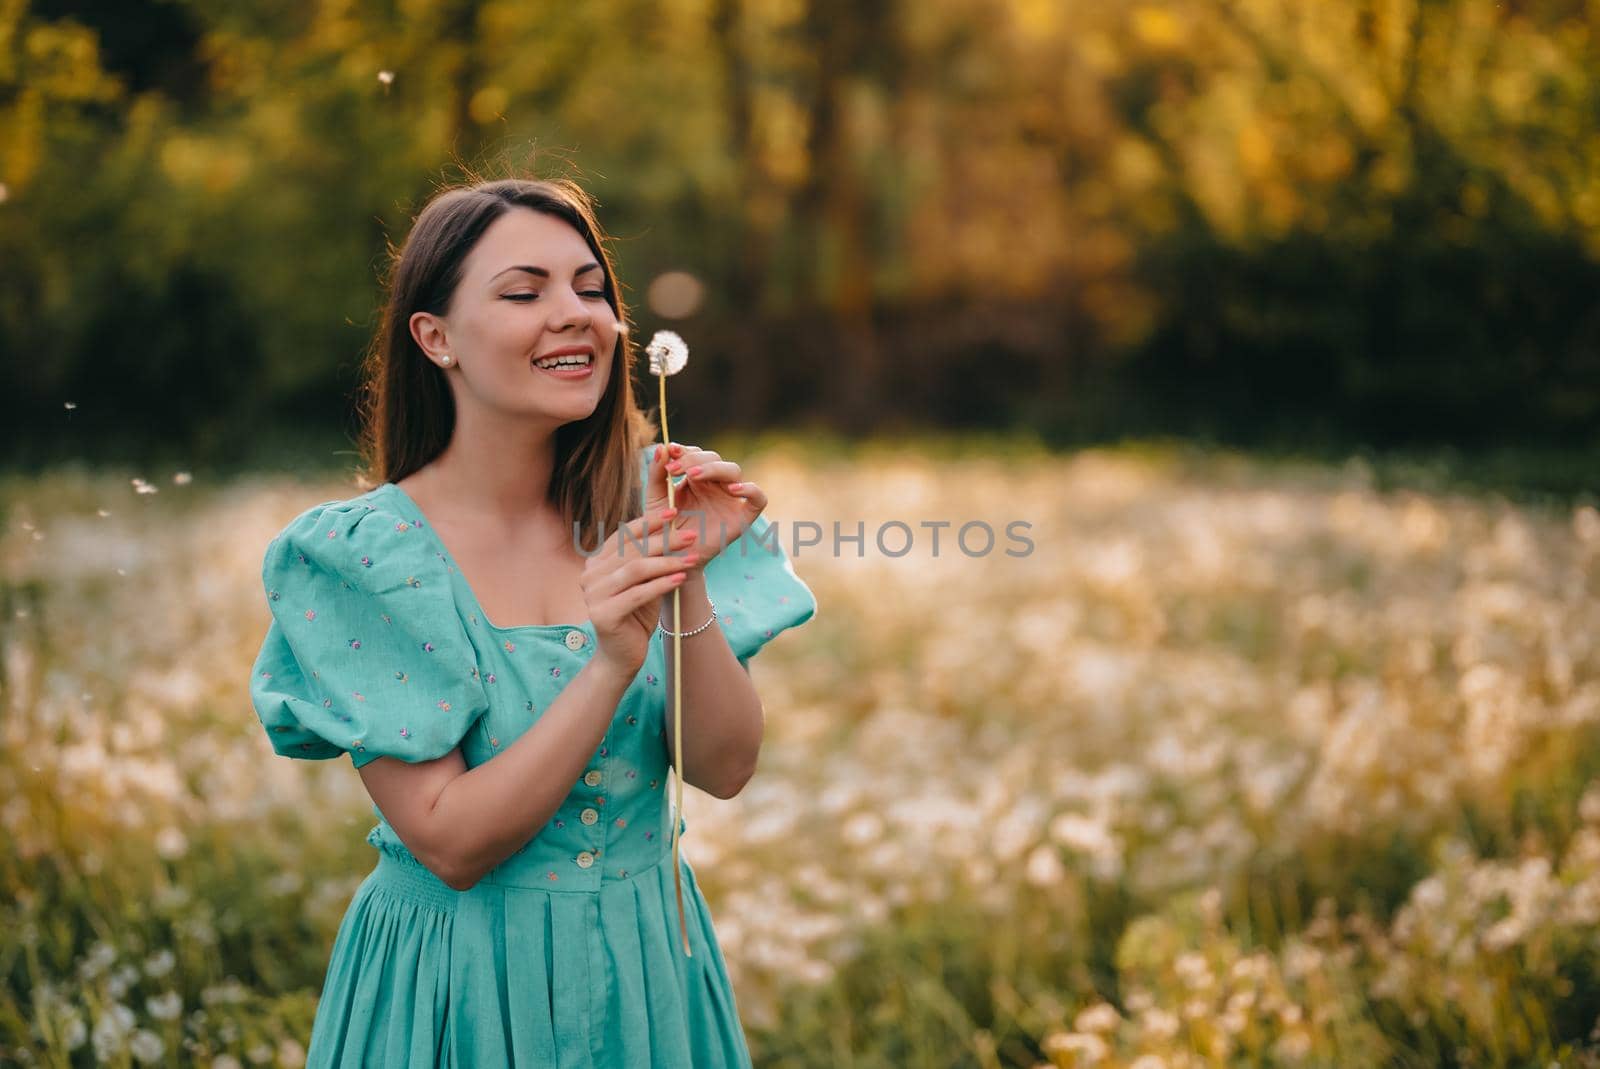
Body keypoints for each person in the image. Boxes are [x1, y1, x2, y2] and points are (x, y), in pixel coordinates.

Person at [247, 175, 817, 1067]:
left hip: (647, 972)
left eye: (591, 288)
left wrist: (683, 574)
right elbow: (451, 841)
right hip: (459, 987)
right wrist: (606, 668)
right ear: (436, 338)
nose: (574, 313)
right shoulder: (368, 557)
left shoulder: (643, 506)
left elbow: (725, 766)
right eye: (524, 292)